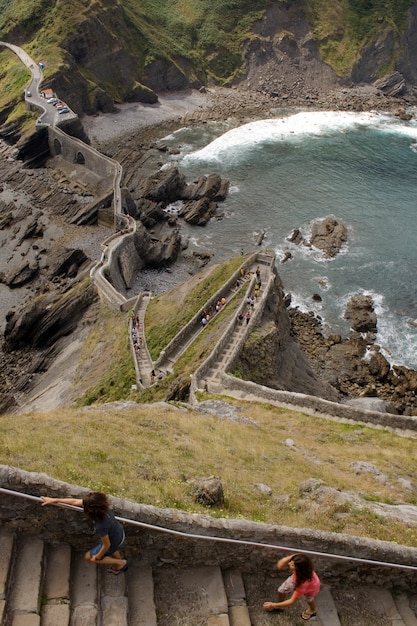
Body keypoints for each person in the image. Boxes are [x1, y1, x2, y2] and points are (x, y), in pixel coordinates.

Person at [41, 492, 128, 575]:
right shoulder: (104, 508)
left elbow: (106, 545)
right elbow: (75, 502)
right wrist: (56, 500)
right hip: (119, 533)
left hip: (112, 541)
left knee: (89, 557)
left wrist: (97, 556)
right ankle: (118, 567)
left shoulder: (101, 525)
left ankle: (121, 563)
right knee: (113, 549)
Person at [263, 553, 320, 621]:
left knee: (309, 598)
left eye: (292, 564)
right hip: (296, 578)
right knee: (281, 590)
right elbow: (296, 556)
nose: (289, 564)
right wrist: (285, 560)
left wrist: (273, 605)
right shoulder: (301, 561)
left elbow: (292, 601)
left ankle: (312, 609)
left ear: (298, 569)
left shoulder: (303, 585)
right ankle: (280, 603)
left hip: (311, 588)